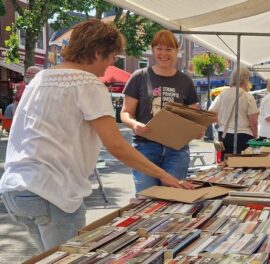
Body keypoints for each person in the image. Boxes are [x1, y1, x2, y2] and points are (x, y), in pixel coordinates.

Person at [0, 19, 193, 253]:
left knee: (48, 258)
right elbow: (116, 146)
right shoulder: (89, 84)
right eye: (112, 57)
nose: (111, 64)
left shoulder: (40, 78)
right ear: (99, 52)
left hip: (15, 190)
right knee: (71, 258)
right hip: (52, 192)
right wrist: (164, 175)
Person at [121, 29, 199, 193]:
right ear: (153, 50)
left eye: (169, 49)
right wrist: (135, 124)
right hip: (145, 148)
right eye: (159, 48)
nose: (164, 53)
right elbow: (125, 112)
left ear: (176, 51)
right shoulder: (139, 76)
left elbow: (195, 116)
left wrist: (197, 128)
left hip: (177, 150)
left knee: (173, 199)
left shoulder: (185, 81)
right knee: (147, 198)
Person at [209, 66, 259, 156]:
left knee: (227, 165)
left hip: (224, 135)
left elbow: (210, 113)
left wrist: (220, 122)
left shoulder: (222, 94)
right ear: (246, 79)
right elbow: (253, 122)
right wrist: (255, 137)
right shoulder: (248, 97)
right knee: (243, 165)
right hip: (243, 135)